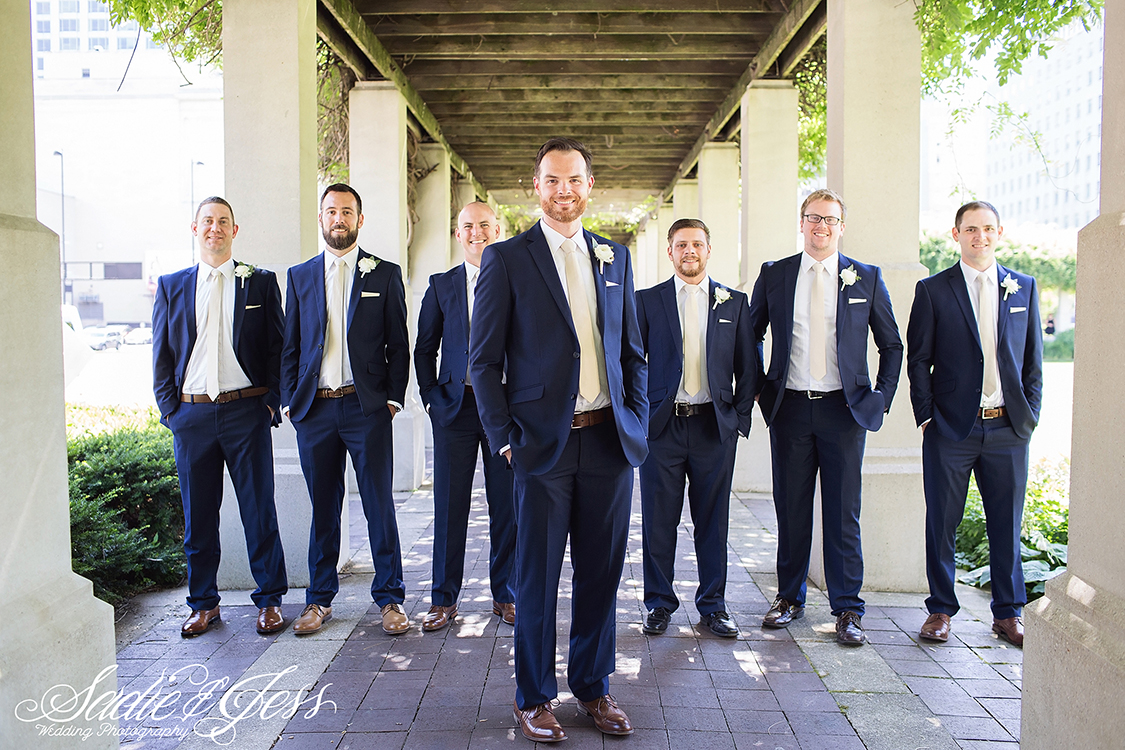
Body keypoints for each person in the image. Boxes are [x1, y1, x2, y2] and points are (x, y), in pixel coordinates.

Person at [469, 138, 648, 742]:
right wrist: (504, 439)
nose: (563, 190)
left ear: (589, 186)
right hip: (540, 447)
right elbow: (482, 363)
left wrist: (637, 418)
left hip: (608, 445)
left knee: (601, 574)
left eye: (573, 180)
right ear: (536, 187)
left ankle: (594, 688)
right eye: (552, 180)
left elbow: (632, 352)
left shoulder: (616, 258)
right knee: (538, 578)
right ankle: (534, 697)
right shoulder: (506, 259)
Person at [748, 188, 903, 646]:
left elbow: (891, 344)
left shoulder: (865, 277)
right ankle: (789, 599)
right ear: (801, 222)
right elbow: (749, 334)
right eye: (814, 218)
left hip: (845, 410)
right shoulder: (775, 274)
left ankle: (848, 610)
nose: (822, 227)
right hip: (791, 408)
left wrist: (880, 399)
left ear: (841, 227)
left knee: (842, 514)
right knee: (791, 508)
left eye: (831, 220)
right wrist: (759, 387)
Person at [907, 201, 1042, 648]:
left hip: (1008, 429)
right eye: (970, 229)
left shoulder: (1022, 287)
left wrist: (1030, 415)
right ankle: (941, 610)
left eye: (986, 229)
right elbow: (919, 358)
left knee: (1006, 522)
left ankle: (1008, 613)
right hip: (950, 429)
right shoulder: (933, 290)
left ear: (998, 233)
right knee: (941, 522)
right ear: (956, 234)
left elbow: (1032, 361)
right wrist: (927, 416)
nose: (979, 237)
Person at [152, 196, 288, 637]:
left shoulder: (260, 283)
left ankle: (269, 601)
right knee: (199, 515)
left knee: (258, 509)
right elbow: (161, 355)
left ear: (235, 230)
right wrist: (170, 410)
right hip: (190, 416)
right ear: (195, 229)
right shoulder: (172, 285)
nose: (215, 228)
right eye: (207, 221)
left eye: (223, 221)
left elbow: (278, 350)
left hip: (245, 412)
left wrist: (269, 403)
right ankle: (203, 604)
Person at [280, 183, 411, 636]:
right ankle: (319, 601)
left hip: (366, 408)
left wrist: (391, 399)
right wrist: (290, 400)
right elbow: (291, 345)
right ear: (321, 218)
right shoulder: (299, 276)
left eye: (347, 211)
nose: (339, 218)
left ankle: (391, 599)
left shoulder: (384, 274)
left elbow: (399, 343)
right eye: (331, 211)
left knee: (379, 504)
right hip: (314, 410)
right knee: (323, 507)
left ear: (359, 219)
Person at [636, 218, 757, 639]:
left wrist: (737, 420)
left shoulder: (733, 303)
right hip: (661, 429)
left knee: (712, 521)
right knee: (658, 521)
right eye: (682, 244)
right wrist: (639, 419)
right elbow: (630, 364)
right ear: (670, 252)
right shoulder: (646, 301)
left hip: (713, 429)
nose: (690, 251)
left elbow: (749, 368)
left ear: (709, 250)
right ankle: (658, 604)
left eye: (697, 244)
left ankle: (714, 605)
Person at [414, 201, 517, 631]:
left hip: (504, 411)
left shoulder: (517, 281)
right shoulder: (441, 285)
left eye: (485, 226)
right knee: (449, 507)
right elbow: (424, 348)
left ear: (498, 230)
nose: (478, 232)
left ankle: (505, 596)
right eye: (469, 226)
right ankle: (443, 599)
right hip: (454, 410)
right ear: (459, 233)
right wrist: (432, 400)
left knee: (506, 507)